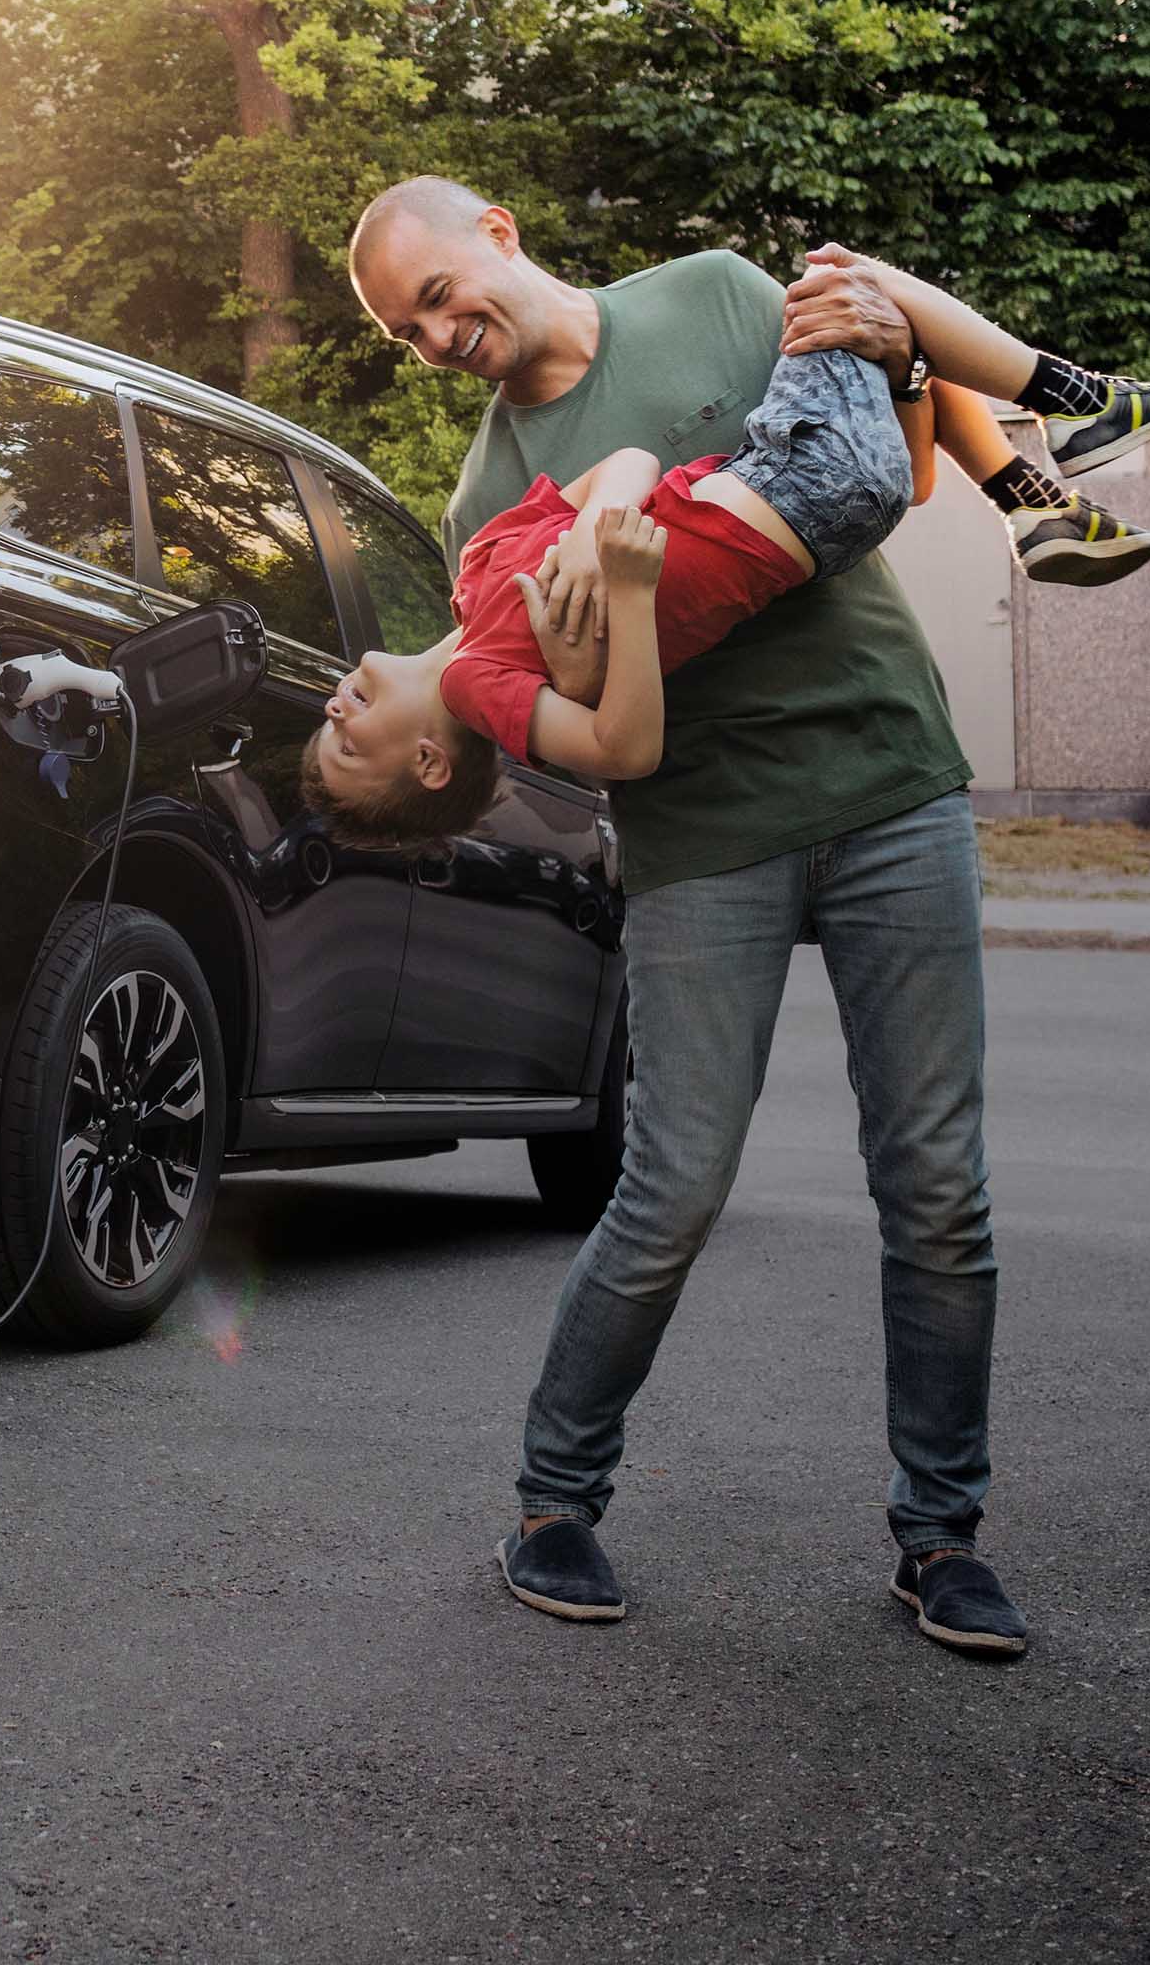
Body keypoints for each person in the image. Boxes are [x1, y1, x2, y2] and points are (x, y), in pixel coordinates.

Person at [345, 176, 1045, 1659]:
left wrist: (677, 485)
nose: (435, 333)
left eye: (437, 292)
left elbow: (881, 472)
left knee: (936, 1186)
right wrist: (621, 593)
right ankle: (554, 1500)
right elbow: (595, 710)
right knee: (670, 1187)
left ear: (499, 237)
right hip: (699, 832)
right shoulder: (485, 499)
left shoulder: (717, 294)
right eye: (408, 330)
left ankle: (943, 1538)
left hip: (882, 775)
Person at [307, 264, 1150, 835]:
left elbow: (628, 460)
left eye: (324, 730)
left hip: (781, 465)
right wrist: (626, 588)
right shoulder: (478, 687)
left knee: (854, 303)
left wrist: (589, 529)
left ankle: (1037, 490)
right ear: (429, 762)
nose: (333, 715)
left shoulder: (478, 570)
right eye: (346, 750)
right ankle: (1067, 412)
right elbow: (626, 750)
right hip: (812, 490)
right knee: (842, 278)